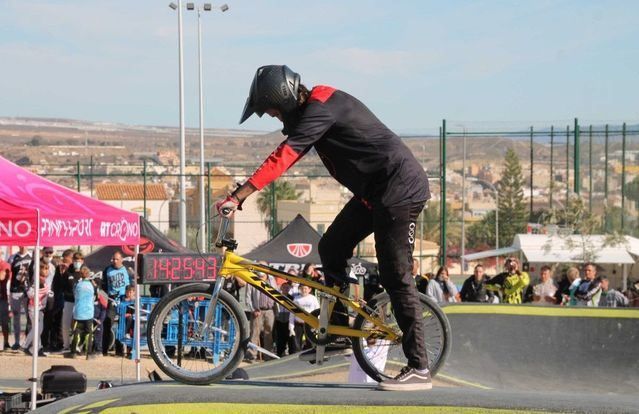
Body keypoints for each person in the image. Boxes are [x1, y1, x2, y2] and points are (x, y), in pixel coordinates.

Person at [216, 65, 432, 390]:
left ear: (285, 99)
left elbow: (285, 156)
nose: (276, 119)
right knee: (331, 247)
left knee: (395, 274)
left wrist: (240, 194)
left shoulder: (322, 107)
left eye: (274, 112)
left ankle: (419, 367)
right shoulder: (317, 107)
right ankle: (338, 333)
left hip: (399, 190)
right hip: (373, 193)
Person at [101, 251, 135, 356]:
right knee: (108, 322)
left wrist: (130, 297)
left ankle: (120, 350)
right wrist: (109, 295)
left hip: (124, 299)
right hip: (113, 300)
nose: (114, 261)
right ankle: (104, 349)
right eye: (113, 259)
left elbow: (132, 285)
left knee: (123, 324)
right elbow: (104, 285)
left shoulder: (127, 270)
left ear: (121, 259)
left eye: (116, 259)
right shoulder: (107, 269)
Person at [66, 266, 96, 359]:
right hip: (89, 312)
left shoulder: (77, 285)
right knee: (89, 333)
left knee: (77, 332)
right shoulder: (91, 285)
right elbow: (95, 296)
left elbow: (75, 295)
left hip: (78, 312)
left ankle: (73, 352)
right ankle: (89, 354)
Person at [22, 263, 50, 357]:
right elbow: (30, 295)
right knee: (37, 329)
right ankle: (25, 345)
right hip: (33, 309)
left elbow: (47, 292)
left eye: (45, 275)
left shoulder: (44, 283)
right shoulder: (35, 284)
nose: (43, 277)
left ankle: (37, 348)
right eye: (41, 275)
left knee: (39, 329)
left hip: (40, 309)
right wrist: (36, 293)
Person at [8, 246, 32, 350]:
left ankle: (28, 342)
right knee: (16, 317)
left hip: (27, 291)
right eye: (21, 244)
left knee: (29, 317)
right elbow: (9, 274)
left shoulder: (31, 257)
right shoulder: (13, 257)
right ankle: (17, 342)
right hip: (15, 291)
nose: (23, 246)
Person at [60, 251, 83, 351]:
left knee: (78, 325)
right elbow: (63, 286)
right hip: (68, 301)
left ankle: (76, 345)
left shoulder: (84, 272)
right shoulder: (68, 272)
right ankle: (66, 345)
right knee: (65, 324)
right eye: (75, 260)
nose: (77, 262)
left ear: (82, 261)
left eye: (78, 261)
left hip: (80, 303)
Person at [289, 285, 320, 353]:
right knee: (296, 343)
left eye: (305, 288)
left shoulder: (313, 298)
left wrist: (317, 324)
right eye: (302, 288)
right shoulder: (296, 299)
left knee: (310, 342)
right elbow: (292, 313)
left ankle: (312, 355)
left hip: (310, 324)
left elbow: (318, 312)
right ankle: (296, 357)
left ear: (309, 289)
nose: (304, 290)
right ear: (300, 289)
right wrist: (291, 327)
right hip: (298, 324)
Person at [273, 282, 298, 357]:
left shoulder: (292, 298)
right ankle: (280, 353)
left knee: (290, 337)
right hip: (279, 318)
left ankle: (291, 353)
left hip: (288, 319)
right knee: (280, 337)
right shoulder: (277, 297)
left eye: (287, 288)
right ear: (281, 288)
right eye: (284, 287)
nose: (286, 289)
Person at [0, 259, 11, 350]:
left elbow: (2, 277)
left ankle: (6, 342)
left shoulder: (4, 264)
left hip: (2, 298)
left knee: (4, 322)